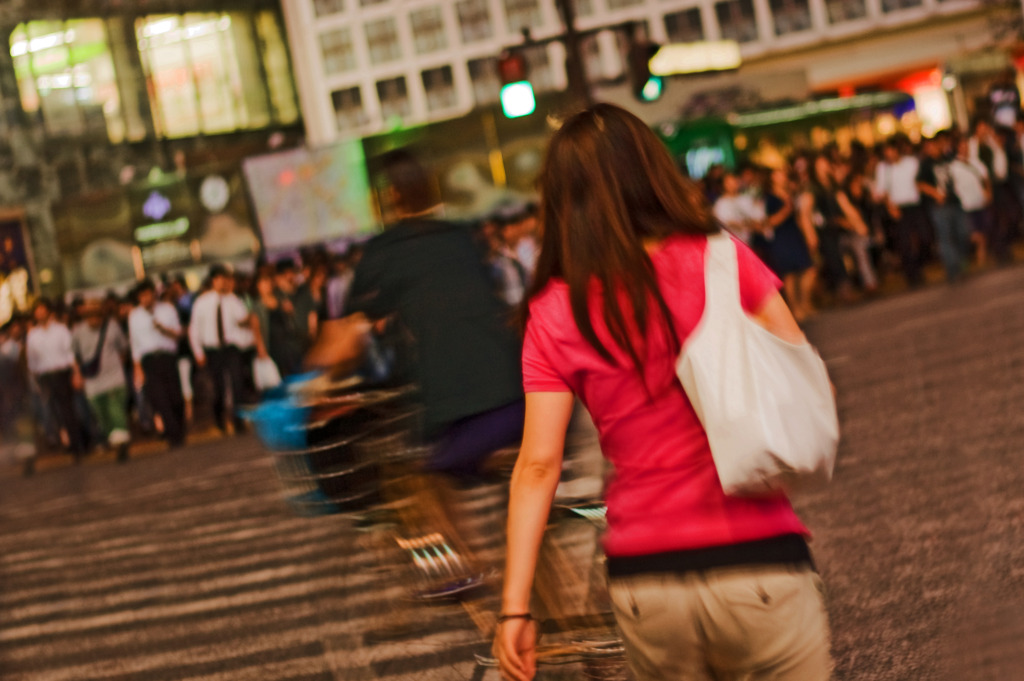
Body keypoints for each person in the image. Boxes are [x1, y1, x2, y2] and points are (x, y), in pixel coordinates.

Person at [493, 104, 831, 681]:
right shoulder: (719, 259)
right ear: (651, 171)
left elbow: (537, 466)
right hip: (756, 557)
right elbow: (798, 364)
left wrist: (515, 608)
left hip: (644, 579)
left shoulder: (552, 311)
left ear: (561, 200)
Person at [312, 148, 525, 479]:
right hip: (519, 394)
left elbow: (344, 341)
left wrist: (311, 382)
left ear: (390, 196)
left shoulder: (386, 251)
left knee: (418, 477)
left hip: (458, 412)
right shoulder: (460, 236)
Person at [189, 264, 251, 434]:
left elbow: (244, 321)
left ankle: (239, 420)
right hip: (212, 350)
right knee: (218, 388)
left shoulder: (233, 300)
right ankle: (219, 419)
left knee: (237, 383)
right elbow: (194, 329)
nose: (223, 282)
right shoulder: (202, 302)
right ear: (214, 280)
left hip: (231, 348)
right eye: (220, 279)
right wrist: (198, 352)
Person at [26, 298, 87, 459]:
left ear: (48, 311)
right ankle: (67, 441)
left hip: (62, 374)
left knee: (68, 410)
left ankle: (78, 444)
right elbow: (32, 361)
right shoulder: (33, 335)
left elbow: (70, 353)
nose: (39, 313)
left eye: (42, 309)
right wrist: (36, 382)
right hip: (45, 376)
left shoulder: (60, 330)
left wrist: (76, 373)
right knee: (55, 412)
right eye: (37, 311)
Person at [72, 299, 132, 462]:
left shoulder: (112, 327)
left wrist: (117, 366)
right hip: (92, 383)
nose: (93, 319)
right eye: (89, 315)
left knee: (116, 410)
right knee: (101, 414)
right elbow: (75, 356)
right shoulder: (78, 332)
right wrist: (77, 375)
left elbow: (123, 349)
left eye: (96, 315)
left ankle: (122, 444)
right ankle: (115, 438)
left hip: (114, 378)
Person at [129, 280, 186, 448]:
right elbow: (135, 344)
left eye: (147, 294)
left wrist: (163, 329)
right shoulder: (135, 316)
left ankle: (178, 429)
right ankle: (172, 434)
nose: (145, 298)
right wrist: (137, 367)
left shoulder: (167, 309)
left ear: (153, 293)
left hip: (167, 357)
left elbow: (177, 333)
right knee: (159, 398)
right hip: (149, 361)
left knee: (175, 397)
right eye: (141, 296)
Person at [874, 137, 930, 287]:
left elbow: (920, 180)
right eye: (886, 152)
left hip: (914, 205)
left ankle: (919, 265)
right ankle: (912, 275)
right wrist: (889, 206)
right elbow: (881, 190)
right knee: (904, 243)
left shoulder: (911, 163)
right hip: (897, 208)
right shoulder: (883, 168)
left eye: (890, 151)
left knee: (924, 237)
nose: (888, 155)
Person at [763, 167, 817, 321]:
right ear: (772, 177)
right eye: (779, 174)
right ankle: (795, 309)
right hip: (782, 237)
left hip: (795, 234)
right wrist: (786, 210)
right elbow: (770, 221)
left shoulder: (790, 193)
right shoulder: (770, 199)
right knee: (790, 275)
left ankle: (805, 302)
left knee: (808, 269)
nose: (783, 177)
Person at [917, 134, 971, 283]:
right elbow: (920, 184)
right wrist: (935, 193)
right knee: (945, 238)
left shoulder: (948, 158)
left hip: (955, 201)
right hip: (939, 206)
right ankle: (953, 269)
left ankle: (960, 263)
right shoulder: (926, 164)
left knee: (962, 233)